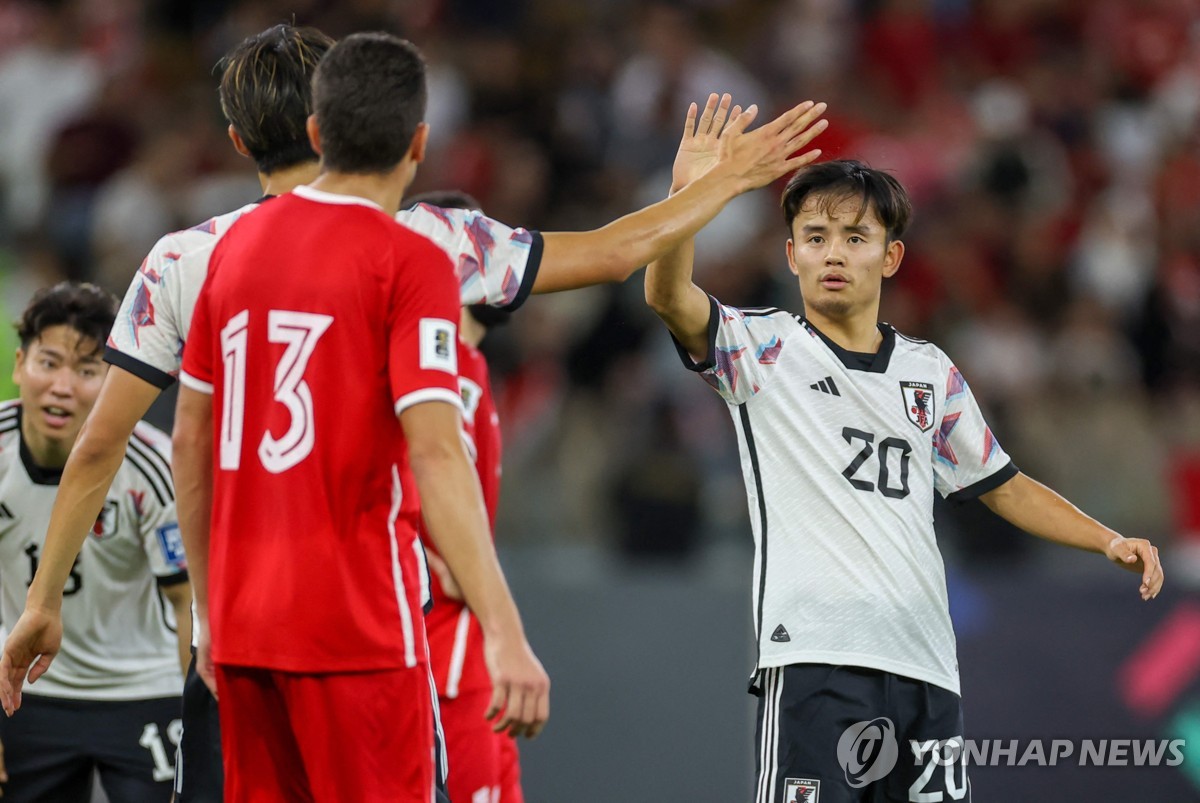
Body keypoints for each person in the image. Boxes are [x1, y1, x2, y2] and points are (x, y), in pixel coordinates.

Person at [0, 28, 824, 722]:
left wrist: (44, 600)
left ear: (240, 144)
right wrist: (717, 186)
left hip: (245, 618)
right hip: (369, 617)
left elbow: (107, 446)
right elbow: (613, 251)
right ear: (334, 123)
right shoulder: (428, 241)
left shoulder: (185, 259)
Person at [644, 102, 1164, 803]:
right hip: (817, 659)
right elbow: (667, 293)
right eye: (816, 235)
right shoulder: (764, 348)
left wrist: (1107, 539)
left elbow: (1003, 482)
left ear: (890, 256)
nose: (833, 252)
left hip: (925, 665)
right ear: (790, 252)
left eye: (855, 236)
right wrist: (690, 194)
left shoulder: (930, 371)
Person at [171, 32, 551, 801]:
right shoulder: (411, 259)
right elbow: (439, 456)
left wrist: (208, 613)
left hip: (244, 626)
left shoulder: (232, 249)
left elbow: (190, 438)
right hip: (356, 625)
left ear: (315, 132)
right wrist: (504, 632)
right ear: (419, 142)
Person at [0, 282, 189, 802]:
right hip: (29, 691)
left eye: (86, 371)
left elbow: (187, 602)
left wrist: (198, 723)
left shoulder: (153, 464)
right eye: (49, 362)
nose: (62, 386)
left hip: (143, 691)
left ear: (112, 383)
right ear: (19, 365)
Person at [407, 189, 525, 803]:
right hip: (442, 653)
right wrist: (436, 558)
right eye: (486, 242)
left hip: (467, 649)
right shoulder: (450, 368)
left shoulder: (467, 368)